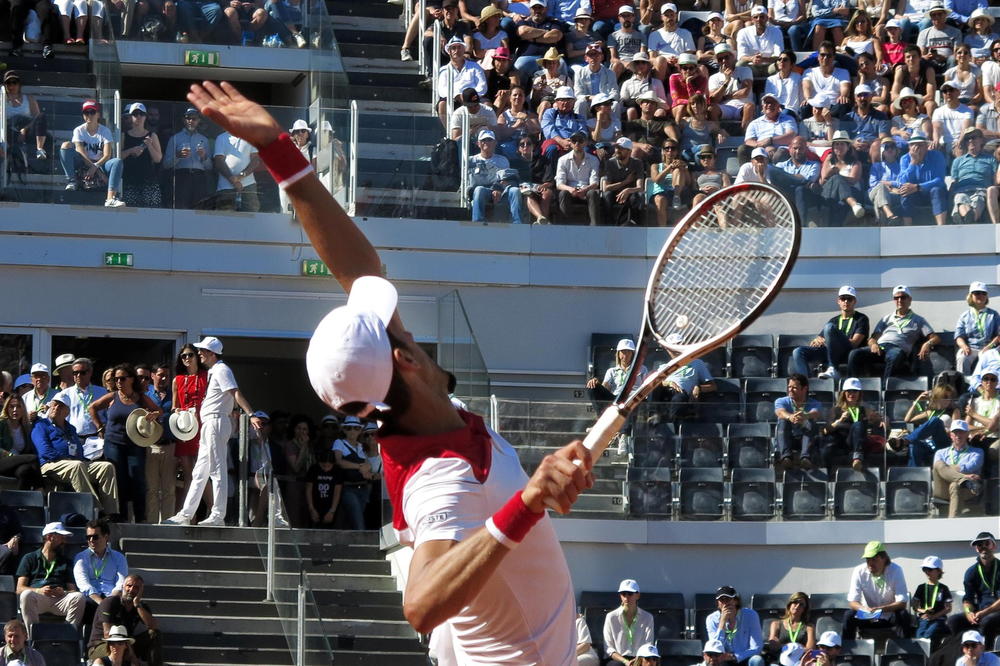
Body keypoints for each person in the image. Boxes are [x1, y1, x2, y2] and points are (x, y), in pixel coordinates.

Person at [187, 78, 592, 663]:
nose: (405, 324)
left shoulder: (413, 410)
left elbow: (360, 265)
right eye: (398, 328)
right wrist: (528, 500)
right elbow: (421, 604)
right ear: (402, 357)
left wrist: (280, 151)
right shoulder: (439, 478)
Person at [164, 336, 264, 527]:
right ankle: (186, 514)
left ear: (211, 353)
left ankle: (218, 515)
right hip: (210, 423)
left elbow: (235, 392)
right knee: (200, 472)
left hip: (216, 423)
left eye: (202, 351)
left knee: (217, 470)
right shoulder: (214, 371)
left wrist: (250, 414)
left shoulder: (221, 370)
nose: (199, 354)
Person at [88, 365, 162, 523]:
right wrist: (100, 427)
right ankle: (120, 517)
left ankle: (140, 518)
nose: (119, 382)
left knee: (138, 479)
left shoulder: (141, 397)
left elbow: (159, 411)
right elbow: (92, 407)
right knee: (118, 479)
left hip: (136, 443)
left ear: (131, 379)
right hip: (113, 443)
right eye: (116, 379)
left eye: (122, 378)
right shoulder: (113, 396)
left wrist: (154, 414)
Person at [33, 395, 118, 516]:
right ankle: (96, 510)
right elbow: (45, 451)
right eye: (54, 404)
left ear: (66, 411)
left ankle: (112, 512)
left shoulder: (71, 428)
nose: (56, 408)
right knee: (77, 465)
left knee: (106, 467)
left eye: (60, 406)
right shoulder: (41, 425)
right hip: (51, 464)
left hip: (74, 464)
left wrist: (82, 460)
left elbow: (78, 451)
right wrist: (67, 459)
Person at [846, 285, 939, 384]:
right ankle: (851, 387)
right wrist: (873, 344)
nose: (899, 300)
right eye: (896, 298)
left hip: (897, 349)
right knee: (854, 354)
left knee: (895, 355)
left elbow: (936, 338)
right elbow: (873, 338)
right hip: (880, 348)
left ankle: (884, 390)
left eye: (903, 297)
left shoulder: (918, 320)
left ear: (910, 299)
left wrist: (927, 344)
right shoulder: (886, 318)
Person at [16, 522, 86, 637]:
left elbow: (73, 590)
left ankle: (68, 636)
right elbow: (19, 588)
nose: (65, 541)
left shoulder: (65, 561)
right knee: (26, 595)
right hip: (39, 598)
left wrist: (64, 592)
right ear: (49, 537)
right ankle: (32, 637)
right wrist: (38, 591)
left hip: (59, 599)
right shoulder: (30, 558)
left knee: (79, 597)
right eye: (61, 537)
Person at [791, 286, 870, 380]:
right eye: (843, 298)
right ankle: (805, 384)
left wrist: (832, 340)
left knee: (829, 327)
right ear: (838, 301)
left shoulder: (861, 319)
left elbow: (854, 343)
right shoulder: (834, 320)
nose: (846, 301)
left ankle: (833, 368)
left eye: (849, 299)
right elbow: (820, 338)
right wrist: (818, 340)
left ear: (854, 301)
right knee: (798, 352)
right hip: (829, 351)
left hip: (847, 352)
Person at [59, 100, 126, 208]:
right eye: (86, 112)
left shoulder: (105, 131)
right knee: (65, 145)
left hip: (100, 164)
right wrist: (97, 171)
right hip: (83, 163)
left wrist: (96, 167)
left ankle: (110, 198)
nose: (89, 115)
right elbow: (80, 151)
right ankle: (72, 180)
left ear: (98, 114)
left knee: (117, 161)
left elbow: (107, 155)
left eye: (92, 112)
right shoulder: (79, 130)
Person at [87, 575, 161, 666]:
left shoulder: (140, 606)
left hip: (125, 644)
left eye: (136, 587)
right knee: (118, 645)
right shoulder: (110, 602)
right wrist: (133, 656)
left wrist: (137, 604)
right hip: (102, 645)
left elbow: (153, 626)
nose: (131, 590)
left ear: (141, 590)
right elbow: (108, 634)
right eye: (129, 586)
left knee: (154, 634)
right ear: (122, 587)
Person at [843, 540, 910, 640]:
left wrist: (881, 609)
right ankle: (848, 651)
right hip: (867, 615)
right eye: (867, 559)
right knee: (849, 615)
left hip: (889, 615)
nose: (870, 563)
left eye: (874, 559)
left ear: (884, 558)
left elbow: (902, 603)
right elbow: (852, 602)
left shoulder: (896, 570)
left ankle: (906, 651)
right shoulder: (859, 571)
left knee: (903, 615)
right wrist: (864, 609)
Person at [171, 343, 207, 518]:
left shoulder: (206, 376)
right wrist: (177, 411)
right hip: (185, 428)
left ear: (196, 357)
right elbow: (174, 406)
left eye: (190, 355)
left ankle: (211, 511)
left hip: (202, 427)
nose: (186, 358)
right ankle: (186, 516)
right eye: (183, 356)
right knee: (188, 475)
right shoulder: (177, 379)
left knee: (202, 472)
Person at [948, 532, 1000, 648]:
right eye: (979, 545)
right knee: (953, 621)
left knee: (987, 621)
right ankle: (962, 653)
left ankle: (984, 654)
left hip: (995, 612)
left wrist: (984, 612)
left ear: (994, 546)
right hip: (980, 612)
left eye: (987, 543)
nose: (983, 548)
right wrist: (969, 613)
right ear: (976, 549)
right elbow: (968, 599)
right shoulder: (971, 572)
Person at [73, 520, 128, 626]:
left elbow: (121, 582)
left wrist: (110, 600)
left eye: (95, 537)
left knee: (122, 605)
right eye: (88, 537)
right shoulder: (80, 558)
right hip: (91, 598)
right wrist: (102, 603)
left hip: (111, 596)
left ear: (106, 537)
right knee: (88, 605)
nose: (91, 540)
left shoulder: (118, 558)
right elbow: (83, 584)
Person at [649, 338, 716, 424]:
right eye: (673, 347)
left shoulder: (697, 363)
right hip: (664, 390)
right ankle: (655, 414)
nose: (676, 350)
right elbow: (653, 383)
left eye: (678, 346)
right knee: (654, 386)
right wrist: (668, 383)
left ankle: (671, 425)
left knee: (678, 400)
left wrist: (699, 387)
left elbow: (713, 386)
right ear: (668, 350)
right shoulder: (664, 366)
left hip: (681, 393)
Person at [889, 383, 957, 466]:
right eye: (945, 397)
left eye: (950, 397)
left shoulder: (954, 411)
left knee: (936, 420)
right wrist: (917, 400)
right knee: (914, 445)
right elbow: (908, 419)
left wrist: (948, 430)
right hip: (928, 443)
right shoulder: (931, 412)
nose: (948, 400)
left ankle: (905, 440)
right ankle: (913, 475)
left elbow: (956, 430)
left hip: (943, 442)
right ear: (938, 396)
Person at [823, 377, 883, 471]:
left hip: (857, 442)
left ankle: (857, 458)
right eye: (849, 391)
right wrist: (839, 420)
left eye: (855, 391)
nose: (852, 394)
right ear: (844, 393)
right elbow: (826, 430)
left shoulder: (864, 409)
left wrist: (884, 420)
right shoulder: (835, 410)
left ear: (859, 394)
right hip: (840, 441)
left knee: (858, 425)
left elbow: (879, 418)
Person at [469, 129, 526, 224]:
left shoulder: (502, 160)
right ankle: (477, 222)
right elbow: (474, 182)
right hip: (483, 191)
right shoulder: (471, 160)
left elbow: (506, 179)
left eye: (489, 140)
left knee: (515, 191)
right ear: (478, 143)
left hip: (501, 191)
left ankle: (517, 223)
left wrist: (498, 188)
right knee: (479, 189)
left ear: (495, 143)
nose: (486, 142)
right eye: (484, 140)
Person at [932, 419, 985, 517]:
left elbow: (969, 467)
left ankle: (952, 522)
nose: (958, 435)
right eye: (955, 432)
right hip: (944, 488)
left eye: (961, 432)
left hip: (968, 489)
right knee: (938, 464)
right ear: (950, 435)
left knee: (955, 485)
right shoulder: (940, 453)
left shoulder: (977, 452)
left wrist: (948, 468)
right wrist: (965, 477)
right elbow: (938, 469)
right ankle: (964, 480)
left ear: (967, 434)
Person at [162, 108, 212, 210]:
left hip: (199, 177)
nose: (191, 121)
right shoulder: (175, 138)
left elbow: (210, 167)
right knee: (181, 209)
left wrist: (204, 156)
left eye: (194, 119)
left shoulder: (204, 140)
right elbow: (166, 165)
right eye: (188, 118)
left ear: (198, 121)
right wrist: (178, 156)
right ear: (183, 120)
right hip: (181, 177)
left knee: (200, 209)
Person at [143, 364, 173, 524]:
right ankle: (152, 523)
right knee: (151, 489)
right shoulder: (145, 395)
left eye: (166, 375)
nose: (163, 378)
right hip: (151, 445)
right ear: (153, 376)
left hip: (170, 445)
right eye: (160, 375)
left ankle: (168, 523)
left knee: (169, 489)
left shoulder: (173, 395)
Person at [950, 129, 1000, 225]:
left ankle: (963, 217)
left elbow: (995, 180)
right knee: (960, 198)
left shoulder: (991, 159)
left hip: (981, 190)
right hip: (962, 189)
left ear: (981, 140)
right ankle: (969, 218)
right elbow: (954, 180)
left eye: (974, 137)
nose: (970, 141)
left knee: (978, 200)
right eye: (967, 139)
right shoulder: (958, 161)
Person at [774, 374, 822, 471]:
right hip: (788, 438)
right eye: (789, 387)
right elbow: (779, 412)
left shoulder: (814, 403)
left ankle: (805, 457)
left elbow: (816, 413)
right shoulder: (781, 401)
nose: (790, 390)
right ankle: (786, 457)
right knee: (783, 420)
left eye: (794, 388)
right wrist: (790, 416)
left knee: (810, 422)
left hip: (806, 438)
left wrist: (805, 416)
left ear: (804, 389)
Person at [707, 586, 764, 666]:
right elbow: (714, 648)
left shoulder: (751, 615)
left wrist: (735, 657)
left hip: (746, 657)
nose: (725, 603)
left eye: (728, 599)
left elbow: (757, 647)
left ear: (736, 601)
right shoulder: (711, 619)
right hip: (723, 659)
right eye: (721, 600)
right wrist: (722, 623)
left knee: (757, 660)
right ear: (718, 603)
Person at [331, 415, 371, 530]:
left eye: (356, 428)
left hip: (363, 489)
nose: (352, 431)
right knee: (358, 522)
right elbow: (339, 461)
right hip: (348, 488)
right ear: (344, 430)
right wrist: (359, 466)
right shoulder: (339, 442)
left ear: (360, 430)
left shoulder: (361, 446)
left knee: (351, 520)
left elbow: (367, 465)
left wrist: (367, 470)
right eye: (349, 428)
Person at [120, 102, 162, 208]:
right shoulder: (124, 135)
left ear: (145, 116)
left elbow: (158, 159)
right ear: (130, 116)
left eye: (141, 114)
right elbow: (117, 157)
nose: (138, 116)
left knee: (152, 214)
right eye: (135, 114)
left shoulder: (152, 135)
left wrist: (149, 145)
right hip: (129, 181)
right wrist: (131, 150)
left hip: (149, 181)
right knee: (130, 214)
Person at [819, 131, 866, 223]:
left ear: (848, 147)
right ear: (833, 147)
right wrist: (831, 173)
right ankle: (853, 203)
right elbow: (824, 180)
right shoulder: (829, 160)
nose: (839, 147)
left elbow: (853, 180)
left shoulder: (856, 163)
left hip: (851, 191)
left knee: (837, 179)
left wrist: (838, 176)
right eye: (836, 144)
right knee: (836, 179)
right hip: (829, 191)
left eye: (842, 144)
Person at [604, 579, 655, 665]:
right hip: (618, 660)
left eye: (630, 594)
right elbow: (608, 648)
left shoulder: (647, 617)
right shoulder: (611, 617)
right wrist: (625, 661)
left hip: (640, 659)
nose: (626, 597)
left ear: (638, 595)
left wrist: (637, 661)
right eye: (623, 594)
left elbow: (648, 644)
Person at [770, 136, 821, 222]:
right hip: (786, 194)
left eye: (801, 149)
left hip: (806, 196)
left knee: (800, 189)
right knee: (772, 170)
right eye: (795, 148)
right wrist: (802, 180)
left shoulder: (814, 164)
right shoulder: (780, 165)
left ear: (806, 149)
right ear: (789, 149)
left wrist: (785, 176)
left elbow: (810, 179)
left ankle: (801, 225)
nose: (798, 151)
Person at [555, 131, 601, 224]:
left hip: (586, 191)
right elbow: (559, 184)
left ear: (585, 143)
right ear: (570, 143)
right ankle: (565, 226)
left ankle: (594, 226)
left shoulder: (593, 159)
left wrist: (584, 190)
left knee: (593, 193)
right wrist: (571, 190)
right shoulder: (562, 160)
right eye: (574, 141)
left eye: (580, 141)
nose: (577, 143)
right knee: (563, 193)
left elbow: (595, 182)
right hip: (570, 191)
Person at [0, 395, 44, 491]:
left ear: (23, 409)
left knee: (25, 470)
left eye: (18, 406)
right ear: (7, 408)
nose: (15, 410)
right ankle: (40, 490)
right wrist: (10, 454)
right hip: (3, 461)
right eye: (12, 406)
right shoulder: (1, 424)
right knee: (33, 458)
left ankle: (19, 501)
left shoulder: (25, 427)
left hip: (17, 462)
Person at [955, 282, 1000, 375]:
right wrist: (964, 346)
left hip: (990, 347)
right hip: (972, 348)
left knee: (990, 357)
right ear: (971, 296)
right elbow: (958, 336)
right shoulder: (964, 316)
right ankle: (963, 385)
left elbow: (998, 336)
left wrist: (988, 347)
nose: (981, 295)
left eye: (984, 293)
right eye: (977, 293)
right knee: (962, 357)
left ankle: (991, 386)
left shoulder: (994, 314)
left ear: (987, 296)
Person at [740, 93, 796, 165]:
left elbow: (791, 136)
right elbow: (748, 141)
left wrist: (770, 140)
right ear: (762, 106)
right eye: (767, 103)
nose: (769, 105)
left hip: (781, 149)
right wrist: (763, 147)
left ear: (778, 106)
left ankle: (778, 175)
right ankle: (747, 173)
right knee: (743, 149)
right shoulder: (754, 123)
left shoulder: (788, 119)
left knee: (780, 154)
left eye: (773, 103)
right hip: (760, 149)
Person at [707, 44, 754, 130]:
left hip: (742, 105)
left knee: (749, 106)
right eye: (720, 59)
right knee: (711, 109)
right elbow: (714, 99)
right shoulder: (713, 77)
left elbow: (744, 93)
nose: (724, 61)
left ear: (733, 57)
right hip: (724, 107)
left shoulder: (745, 70)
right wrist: (726, 81)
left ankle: (744, 136)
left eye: (726, 57)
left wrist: (725, 97)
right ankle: (718, 134)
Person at [601, 137, 645, 226]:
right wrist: (625, 182)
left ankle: (634, 224)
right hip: (614, 193)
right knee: (607, 195)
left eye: (621, 149)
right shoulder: (610, 163)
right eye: (616, 148)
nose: (617, 150)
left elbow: (640, 187)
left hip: (630, 194)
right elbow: (606, 187)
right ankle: (608, 224)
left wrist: (628, 190)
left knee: (638, 196)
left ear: (629, 151)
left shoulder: (637, 163)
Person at [213, 130, 260, 212]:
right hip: (225, 186)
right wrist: (232, 179)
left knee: (252, 217)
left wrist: (241, 176)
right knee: (225, 219)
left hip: (248, 185)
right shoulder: (221, 138)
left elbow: (255, 160)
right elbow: (218, 161)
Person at [912, 555, 952, 646]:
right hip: (924, 619)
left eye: (930, 569)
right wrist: (923, 611)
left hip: (939, 620)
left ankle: (928, 656)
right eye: (924, 569)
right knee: (919, 635)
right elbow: (914, 606)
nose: (927, 572)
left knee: (928, 634)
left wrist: (934, 616)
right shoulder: (921, 587)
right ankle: (922, 657)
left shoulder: (943, 588)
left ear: (938, 571)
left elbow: (948, 608)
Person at [766, 592, 815, 661]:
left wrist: (783, 645)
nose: (797, 606)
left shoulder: (809, 627)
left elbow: (810, 649)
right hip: (780, 661)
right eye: (795, 602)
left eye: (801, 605)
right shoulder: (776, 624)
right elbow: (773, 646)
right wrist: (799, 647)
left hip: (800, 662)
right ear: (790, 604)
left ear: (804, 609)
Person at [735, 5, 781, 76]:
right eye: (755, 17)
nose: (758, 19)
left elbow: (779, 56)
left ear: (767, 18)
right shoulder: (743, 32)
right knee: (739, 65)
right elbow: (741, 56)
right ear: (752, 20)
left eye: (762, 17)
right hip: (752, 67)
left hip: (770, 66)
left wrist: (764, 59)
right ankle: (746, 86)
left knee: (781, 64)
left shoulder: (776, 31)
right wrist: (752, 58)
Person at [932, 81, 974, 156]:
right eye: (945, 91)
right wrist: (936, 141)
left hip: (960, 142)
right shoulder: (938, 111)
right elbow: (937, 128)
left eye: (951, 90)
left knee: (959, 150)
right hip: (943, 143)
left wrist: (959, 142)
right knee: (930, 149)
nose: (948, 93)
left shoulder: (967, 111)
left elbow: (965, 129)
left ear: (958, 92)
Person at [305, 449, 341, 528]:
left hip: (331, 505)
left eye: (329, 466)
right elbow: (308, 489)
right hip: (314, 504)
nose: (326, 469)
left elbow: (337, 492)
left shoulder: (337, 470)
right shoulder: (313, 469)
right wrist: (311, 509)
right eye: (323, 466)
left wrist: (332, 511)